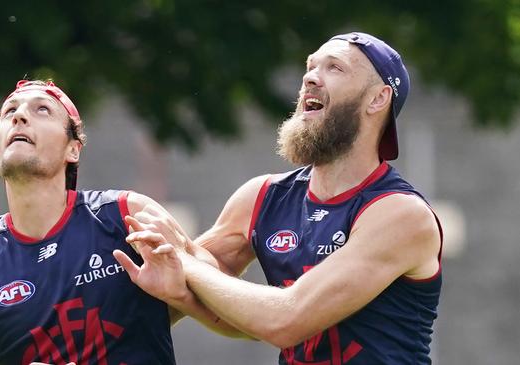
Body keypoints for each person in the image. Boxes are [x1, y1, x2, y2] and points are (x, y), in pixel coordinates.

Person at [115, 32, 443, 364]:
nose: (310, 77)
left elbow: (286, 321)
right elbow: (221, 305)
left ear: (377, 99)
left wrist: (184, 261)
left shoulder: (400, 214)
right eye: (310, 65)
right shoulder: (261, 197)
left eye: (335, 68)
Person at [0, 80, 233, 365]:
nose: (18, 117)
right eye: (9, 112)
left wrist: (179, 294)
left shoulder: (129, 216)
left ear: (73, 149)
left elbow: (237, 312)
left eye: (41, 110)